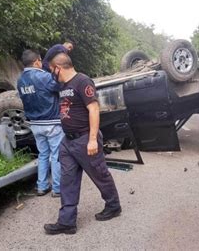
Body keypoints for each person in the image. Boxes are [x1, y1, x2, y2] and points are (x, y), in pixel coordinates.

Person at [43, 53, 121, 235]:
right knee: (67, 180)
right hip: (68, 141)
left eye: (51, 70)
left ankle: (113, 205)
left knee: (99, 174)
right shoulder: (62, 85)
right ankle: (67, 222)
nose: (50, 73)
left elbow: (94, 109)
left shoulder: (82, 81)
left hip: (85, 138)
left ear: (58, 68)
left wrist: (93, 139)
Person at [17, 50, 64, 197]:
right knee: (56, 155)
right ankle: (57, 188)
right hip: (52, 122)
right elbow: (60, 86)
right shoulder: (44, 77)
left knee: (43, 155)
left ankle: (42, 187)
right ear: (37, 61)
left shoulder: (20, 80)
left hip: (35, 124)